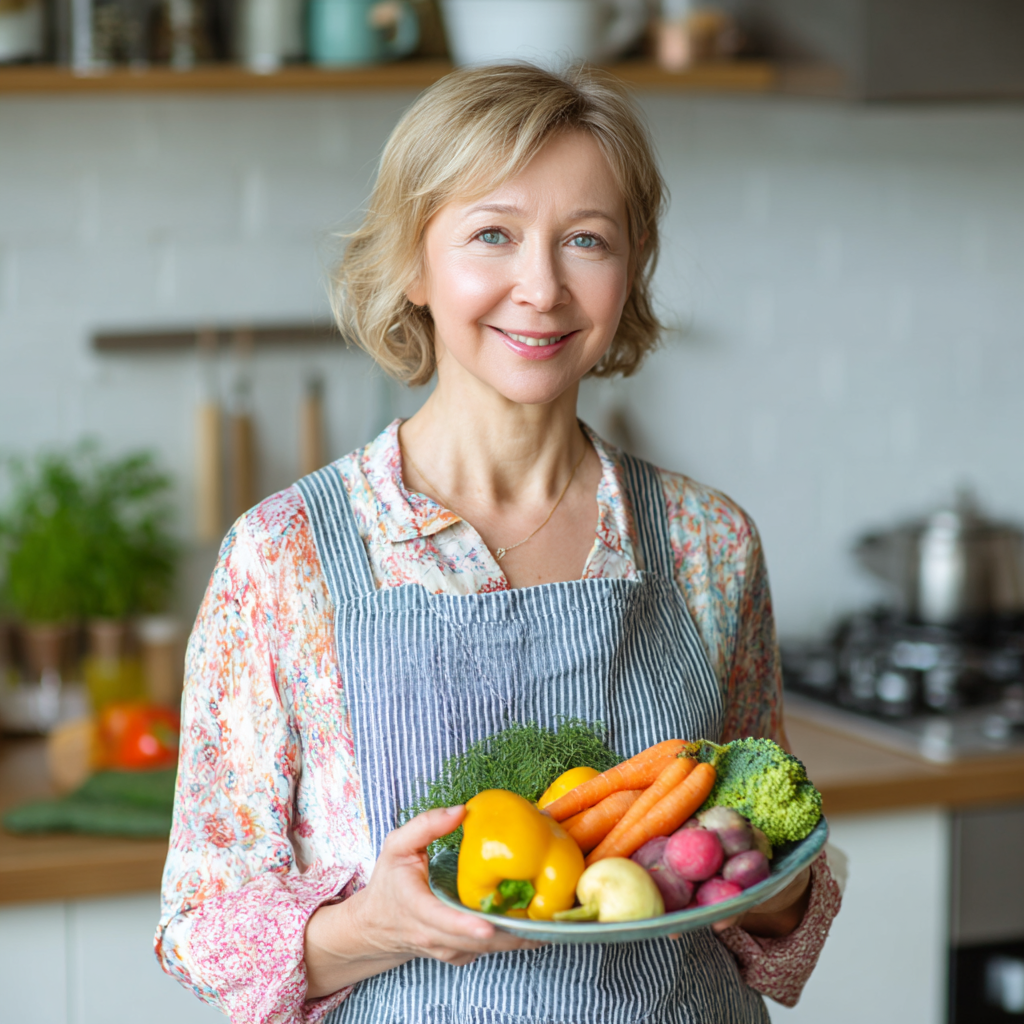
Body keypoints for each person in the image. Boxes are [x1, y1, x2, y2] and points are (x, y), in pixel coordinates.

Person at [156, 63, 842, 1024]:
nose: (543, 287)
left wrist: (774, 889)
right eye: (492, 235)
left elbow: (771, 903)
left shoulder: (706, 542)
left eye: (587, 241)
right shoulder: (284, 557)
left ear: (631, 266)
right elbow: (202, 930)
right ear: (411, 262)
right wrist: (378, 927)